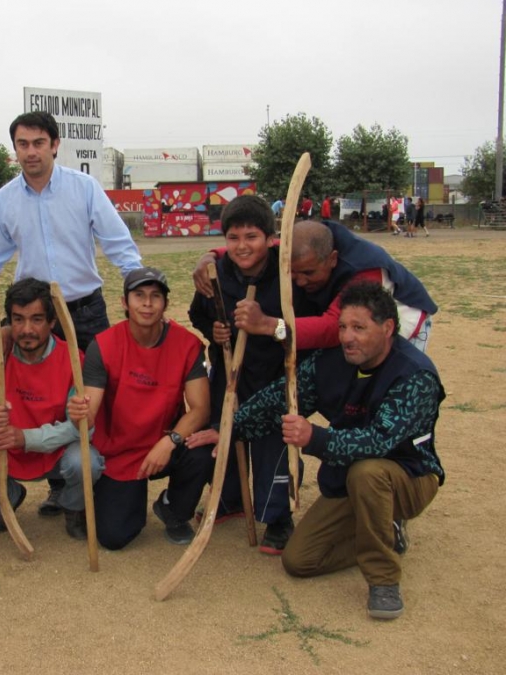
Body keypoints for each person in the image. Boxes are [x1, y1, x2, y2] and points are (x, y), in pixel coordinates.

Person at [0, 110, 142, 516]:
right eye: (23, 144)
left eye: (39, 143)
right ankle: (52, 482)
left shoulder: (84, 188)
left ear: (55, 145)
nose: (31, 152)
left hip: (86, 310)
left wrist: (141, 290)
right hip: (32, 315)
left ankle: (87, 484)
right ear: (15, 150)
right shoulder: (5, 201)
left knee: (95, 398)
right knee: (32, 395)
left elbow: (119, 245)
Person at [231, 281, 445, 620]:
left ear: (388, 328)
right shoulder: (332, 361)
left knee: (369, 470)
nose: (347, 337)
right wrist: (228, 431)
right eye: (343, 326)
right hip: (349, 480)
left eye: (359, 328)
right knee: (300, 560)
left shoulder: (415, 375)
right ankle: (388, 534)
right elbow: (281, 397)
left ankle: (383, 579)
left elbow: (378, 442)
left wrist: (315, 438)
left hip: (408, 477)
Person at [188, 195, 310, 554]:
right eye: (234, 238)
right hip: (229, 373)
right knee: (222, 434)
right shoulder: (215, 274)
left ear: (269, 238)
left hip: (275, 375)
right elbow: (198, 315)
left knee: (274, 441)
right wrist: (215, 330)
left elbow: (306, 328)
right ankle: (229, 500)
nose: (242, 246)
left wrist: (267, 327)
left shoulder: (286, 273)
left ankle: (278, 516)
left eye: (252, 237)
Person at [69, 268, 211, 550]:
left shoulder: (187, 345)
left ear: (165, 304)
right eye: (139, 296)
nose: (147, 303)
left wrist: (170, 441)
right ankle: (108, 498)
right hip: (119, 450)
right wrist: (80, 415)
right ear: (124, 302)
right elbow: (90, 412)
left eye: (155, 296)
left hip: (165, 440)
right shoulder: (104, 345)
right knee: (113, 537)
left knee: (203, 451)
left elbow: (200, 409)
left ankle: (173, 510)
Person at [0, 278, 105, 539]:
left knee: (86, 461)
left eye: (36, 319)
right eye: (18, 319)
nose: (26, 329)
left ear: (52, 322)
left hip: (54, 454)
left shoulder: (72, 359)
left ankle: (72, 506)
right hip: (6, 453)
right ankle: (7, 501)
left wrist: (27, 438)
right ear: (9, 321)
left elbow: (81, 428)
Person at [192, 218, 437, 353]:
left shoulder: (363, 272)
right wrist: (211, 255)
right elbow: (265, 248)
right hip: (357, 323)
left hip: (404, 320)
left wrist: (269, 325)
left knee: (387, 378)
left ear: (332, 259)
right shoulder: (304, 244)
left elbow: (334, 327)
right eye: (293, 273)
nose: (299, 281)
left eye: (308, 273)